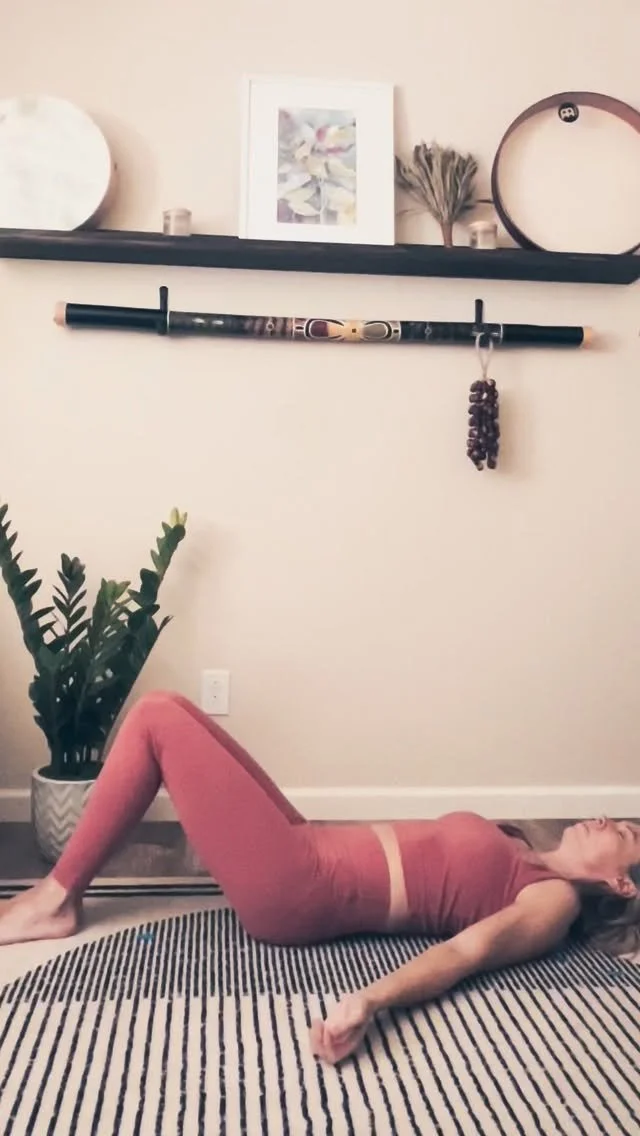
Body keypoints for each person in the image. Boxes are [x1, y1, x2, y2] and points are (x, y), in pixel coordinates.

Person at [1, 690, 638, 1065]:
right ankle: (60, 892)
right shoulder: (524, 848)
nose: (609, 820)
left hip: (300, 887)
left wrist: (370, 1000)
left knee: (156, 717)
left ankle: (57, 898)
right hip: (305, 844)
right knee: (175, 711)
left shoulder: (553, 900)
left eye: (627, 835)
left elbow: (464, 954)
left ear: (622, 885)